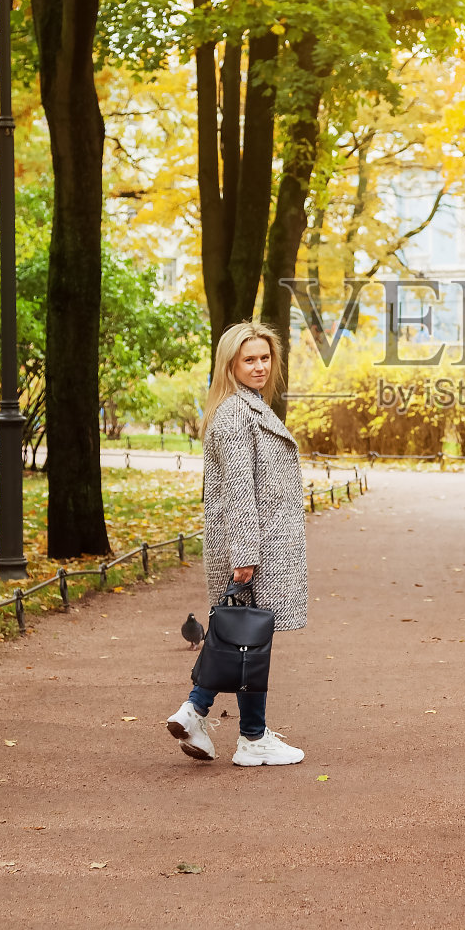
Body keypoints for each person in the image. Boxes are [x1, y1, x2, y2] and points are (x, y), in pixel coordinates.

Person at [167, 321, 307, 767]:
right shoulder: (234, 414)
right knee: (245, 640)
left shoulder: (251, 408)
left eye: (265, 358)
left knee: (246, 640)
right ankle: (223, 723)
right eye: (250, 359)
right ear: (230, 364)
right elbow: (238, 489)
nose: (260, 366)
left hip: (259, 544)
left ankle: (232, 728)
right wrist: (245, 555)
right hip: (252, 547)